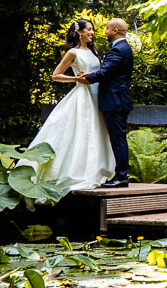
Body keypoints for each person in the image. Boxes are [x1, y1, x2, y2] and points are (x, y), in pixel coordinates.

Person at [18, 19, 115, 191]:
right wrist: (75, 78)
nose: (92, 33)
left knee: (98, 131)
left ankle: (100, 168)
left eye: (92, 30)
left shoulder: (94, 51)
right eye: (89, 30)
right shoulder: (73, 53)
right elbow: (56, 75)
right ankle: (76, 171)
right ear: (79, 32)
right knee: (82, 130)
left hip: (97, 95)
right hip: (83, 95)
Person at [77, 18, 134, 188]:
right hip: (119, 99)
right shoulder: (124, 48)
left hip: (115, 100)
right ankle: (120, 174)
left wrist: (86, 78)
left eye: (108, 29)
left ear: (115, 30)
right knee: (118, 138)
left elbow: (104, 73)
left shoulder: (117, 50)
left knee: (118, 139)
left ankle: (122, 176)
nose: (105, 31)